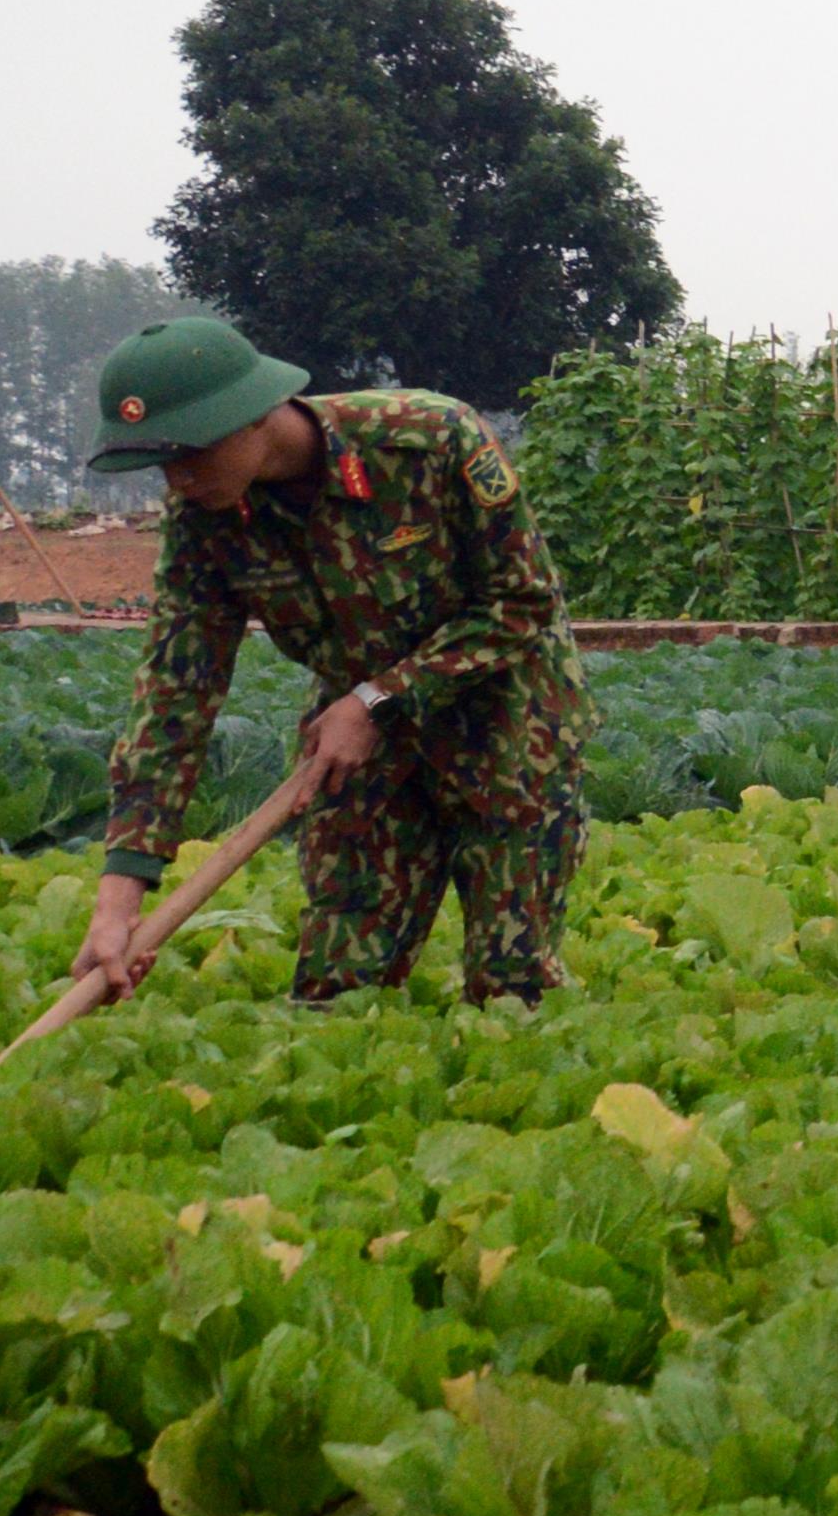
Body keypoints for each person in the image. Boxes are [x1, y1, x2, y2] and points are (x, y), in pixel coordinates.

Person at [78, 316, 594, 1009]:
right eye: (159, 464)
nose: (177, 481)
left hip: (506, 725)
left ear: (254, 415)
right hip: (355, 743)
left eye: (189, 453)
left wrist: (381, 697)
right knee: (337, 991)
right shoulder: (205, 520)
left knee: (511, 991)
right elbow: (174, 694)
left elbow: (522, 602)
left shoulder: (430, 441)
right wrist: (120, 897)